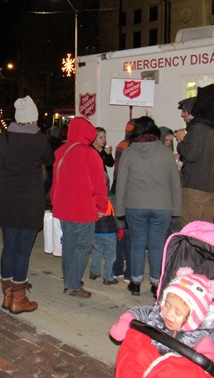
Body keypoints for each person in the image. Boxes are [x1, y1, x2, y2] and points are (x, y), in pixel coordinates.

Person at [0, 96, 54, 313]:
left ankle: (7, 295)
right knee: (22, 251)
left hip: (8, 199)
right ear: (33, 118)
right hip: (30, 201)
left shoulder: (4, 138)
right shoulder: (39, 140)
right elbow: (50, 161)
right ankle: (19, 298)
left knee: (9, 247)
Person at [110, 267, 214, 368]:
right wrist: (125, 321)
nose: (169, 314)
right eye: (167, 305)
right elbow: (139, 311)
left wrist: (213, 354)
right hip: (148, 366)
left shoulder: (205, 332)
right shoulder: (158, 314)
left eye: (178, 312)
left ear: (195, 316)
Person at [115, 116, 181, 297]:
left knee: (137, 244)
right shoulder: (166, 152)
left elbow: (121, 184)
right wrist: (176, 209)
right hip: (162, 206)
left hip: (135, 206)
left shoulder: (129, 152)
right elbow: (175, 183)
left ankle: (135, 282)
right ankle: (156, 284)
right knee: (157, 245)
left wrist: (119, 211)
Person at [50, 116, 108, 298]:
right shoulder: (89, 153)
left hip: (63, 208)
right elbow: (100, 185)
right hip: (82, 209)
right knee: (82, 248)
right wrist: (101, 207)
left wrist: (55, 202)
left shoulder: (60, 150)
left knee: (69, 245)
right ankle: (73, 285)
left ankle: (70, 280)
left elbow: (54, 182)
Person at [177, 79, 214, 227]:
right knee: (205, 232)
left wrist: (181, 141)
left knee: (190, 231)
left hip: (195, 189)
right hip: (213, 189)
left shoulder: (197, 127)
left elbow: (191, 155)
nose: (182, 115)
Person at [111, 119, 135, 283]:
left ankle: (117, 268)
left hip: (117, 193)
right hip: (129, 195)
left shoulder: (121, 145)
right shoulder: (133, 148)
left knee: (119, 234)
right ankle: (129, 272)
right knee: (131, 235)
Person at [89, 199, 124, 285]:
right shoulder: (109, 202)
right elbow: (116, 217)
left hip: (96, 231)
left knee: (97, 251)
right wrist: (121, 228)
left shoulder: (93, 201)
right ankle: (108, 277)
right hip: (109, 232)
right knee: (110, 255)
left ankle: (94, 272)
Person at [91, 126, 115, 191]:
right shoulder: (90, 150)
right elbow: (95, 163)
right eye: (101, 138)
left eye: (105, 137)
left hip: (103, 180)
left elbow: (111, 164)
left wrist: (109, 154)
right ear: (94, 139)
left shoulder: (104, 149)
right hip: (94, 182)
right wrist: (104, 153)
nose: (104, 140)